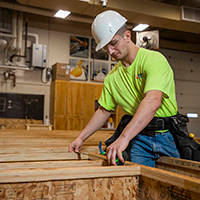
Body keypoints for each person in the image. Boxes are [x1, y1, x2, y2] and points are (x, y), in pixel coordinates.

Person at [69, 10, 180, 167]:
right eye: (105, 48)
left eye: (113, 43)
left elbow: (153, 100)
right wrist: (81, 138)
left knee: (178, 186)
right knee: (138, 184)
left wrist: (124, 138)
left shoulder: (154, 60)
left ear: (127, 36)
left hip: (167, 135)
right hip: (139, 137)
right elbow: (103, 111)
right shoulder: (112, 78)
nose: (110, 52)